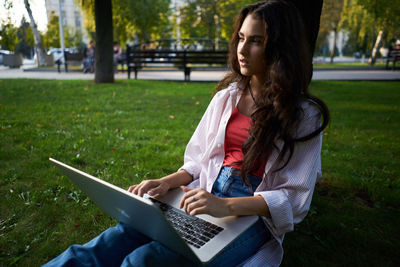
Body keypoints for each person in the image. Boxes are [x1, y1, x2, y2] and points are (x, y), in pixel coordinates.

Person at [44, 1, 329, 266]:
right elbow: (197, 162)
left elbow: (294, 199)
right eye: (241, 38)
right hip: (202, 197)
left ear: (280, 47)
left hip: (252, 216)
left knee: (144, 261)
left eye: (256, 41)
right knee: (114, 239)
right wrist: (165, 182)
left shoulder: (303, 115)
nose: (242, 49)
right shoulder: (226, 98)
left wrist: (223, 204)